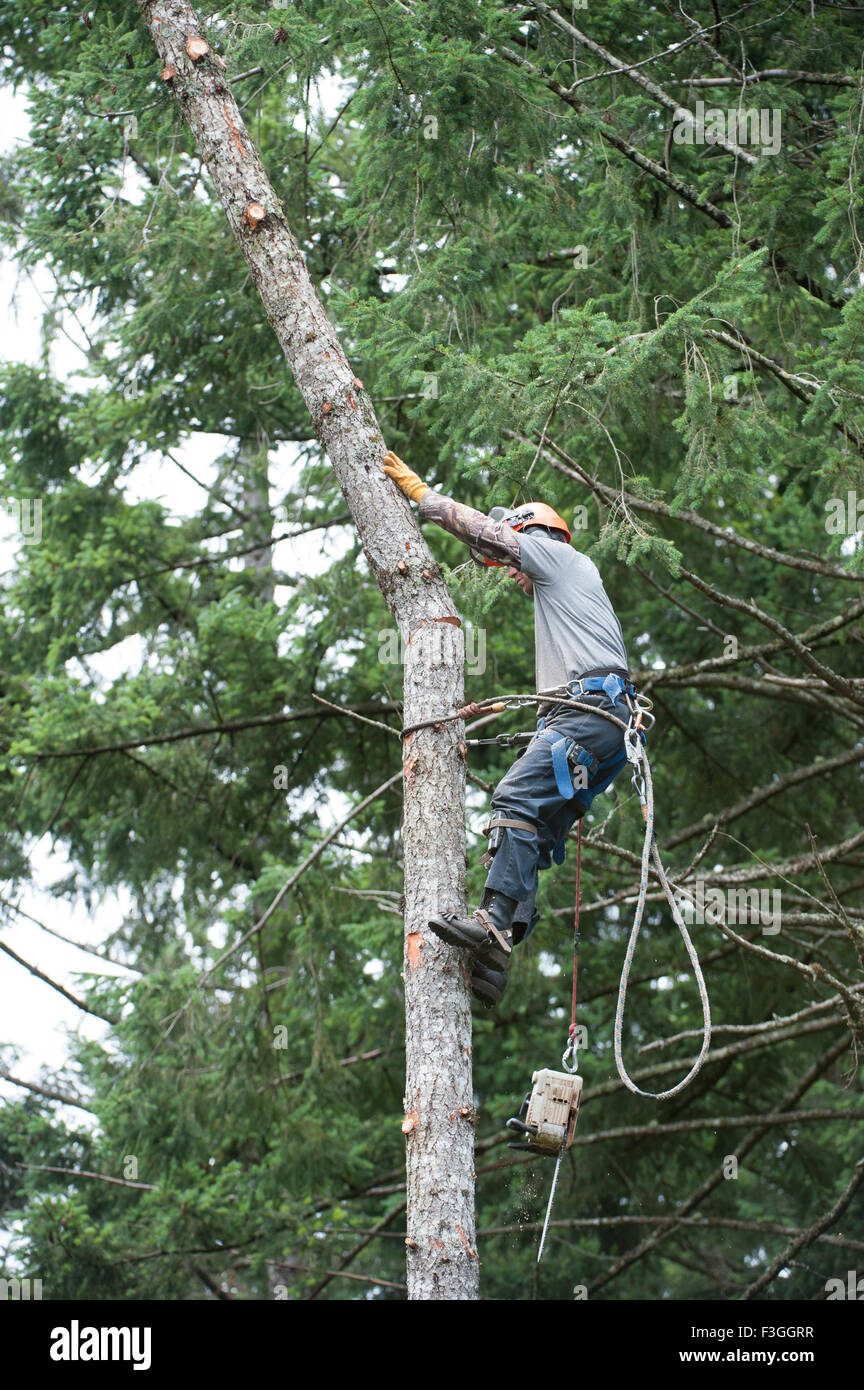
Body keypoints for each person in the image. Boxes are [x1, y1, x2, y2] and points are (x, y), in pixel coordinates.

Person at [383, 450, 638, 1007]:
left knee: (515, 794)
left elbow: (492, 538)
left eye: (513, 557)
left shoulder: (560, 558)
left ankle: (494, 924)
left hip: (592, 713)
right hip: (596, 720)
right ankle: (495, 960)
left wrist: (424, 499)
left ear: (533, 535)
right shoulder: (567, 600)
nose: (511, 575)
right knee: (532, 830)